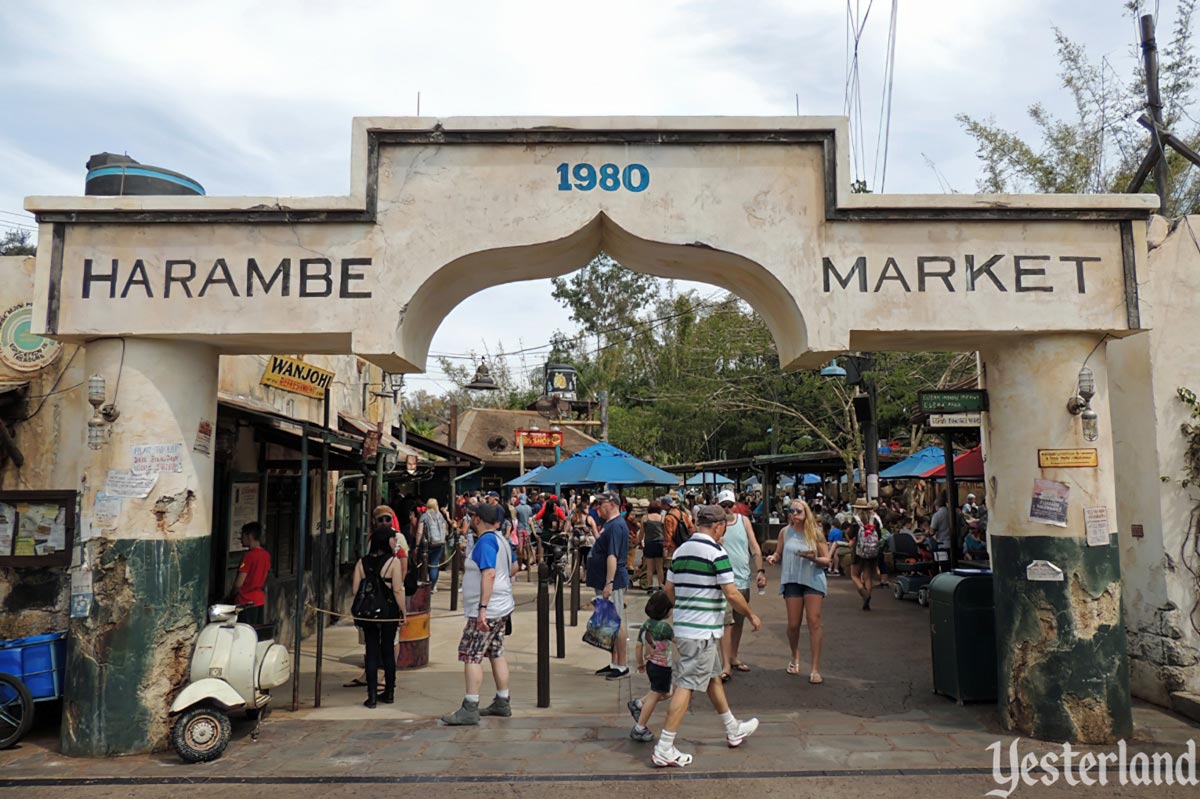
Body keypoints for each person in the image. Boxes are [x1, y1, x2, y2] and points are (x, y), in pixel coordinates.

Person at [652, 505, 761, 768]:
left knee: (713, 678)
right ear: (718, 526)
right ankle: (665, 746)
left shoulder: (681, 551)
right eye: (724, 525)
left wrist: (686, 607)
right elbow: (732, 593)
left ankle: (732, 728)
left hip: (688, 627)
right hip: (702, 631)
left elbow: (669, 590)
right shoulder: (716, 552)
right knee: (686, 685)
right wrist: (751, 615)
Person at [441, 502, 518, 725]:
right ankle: (502, 700)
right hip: (502, 605)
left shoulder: (485, 542)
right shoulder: (502, 540)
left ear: (477, 520)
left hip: (487, 609)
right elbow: (514, 568)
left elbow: (489, 574)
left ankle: (470, 705)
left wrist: (482, 608)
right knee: (496, 652)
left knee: (471, 653)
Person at [766, 499, 830, 683]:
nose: (794, 514)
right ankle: (795, 655)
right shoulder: (785, 532)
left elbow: (827, 560)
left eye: (798, 511)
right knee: (793, 625)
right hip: (792, 579)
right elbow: (779, 553)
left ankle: (815, 668)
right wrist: (773, 557)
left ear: (806, 513)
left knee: (814, 621)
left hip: (813, 579)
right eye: (791, 511)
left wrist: (814, 558)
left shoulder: (815, 533)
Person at [352, 525, 406, 708]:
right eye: (393, 539)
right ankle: (389, 692)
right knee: (388, 652)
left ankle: (372, 696)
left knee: (371, 651)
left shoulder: (362, 563)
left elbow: (355, 590)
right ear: (385, 541)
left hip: (368, 614)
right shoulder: (393, 562)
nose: (395, 542)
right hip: (388, 613)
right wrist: (403, 612)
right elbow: (398, 590)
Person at [715, 490, 766, 680]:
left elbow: (754, 547)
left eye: (730, 505)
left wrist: (760, 570)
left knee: (738, 622)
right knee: (727, 623)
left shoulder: (744, 521)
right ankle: (725, 664)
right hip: (724, 581)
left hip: (743, 578)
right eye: (724, 506)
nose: (728, 509)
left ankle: (733, 657)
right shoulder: (716, 525)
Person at [587, 490, 632, 680]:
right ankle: (614, 661)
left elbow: (612, 556)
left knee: (617, 621)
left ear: (612, 504)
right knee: (610, 621)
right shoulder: (610, 525)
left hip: (612, 580)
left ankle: (622, 665)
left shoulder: (616, 526)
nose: (598, 508)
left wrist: (609, 582)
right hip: (603, 578)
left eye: (601, 504)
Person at [627, 590, 675, 742]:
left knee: (667, 692)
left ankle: (639, 703)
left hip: (651, 666)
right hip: (662, 667)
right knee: (656, 694)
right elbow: (677, 641)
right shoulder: (664, 628)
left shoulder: (646, 625)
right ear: (666, 611)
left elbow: (638, 645)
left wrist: (640, 662)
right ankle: (640, 727)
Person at [231, 522, 270, 625]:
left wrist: (232, 594)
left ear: (250, 536)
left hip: (245, 600)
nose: (241, 539)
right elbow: (265, 576)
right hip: (259, 599)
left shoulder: (248, 556)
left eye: (243, 536)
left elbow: (239, 583)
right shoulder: (266, 555)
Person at [850, 499, 882, 611]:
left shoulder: (856, 520)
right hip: (872, 550)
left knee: (854, 575)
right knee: (868, 576)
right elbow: (880, 534)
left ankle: (864, 594)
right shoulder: (874, 519)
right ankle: (867, 599)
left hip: (858, 551)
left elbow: (850, 535)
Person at [417, 498, 452, 593]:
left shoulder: (424, 516)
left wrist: (417, 544)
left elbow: (419, 532)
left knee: (424, 563)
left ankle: (426, 584)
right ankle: (433, 586)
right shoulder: (440, 516)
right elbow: (445, 528)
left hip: (428, 544)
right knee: (434, 564)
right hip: (439, 543)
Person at [639, 501, 667, 591]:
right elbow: (665, 533)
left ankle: (650, 585)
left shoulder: (645, 518)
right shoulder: (662, 518)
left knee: (649, 567)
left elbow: (641, 532)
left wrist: (639, 542)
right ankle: (660, 585)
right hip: (660, 542)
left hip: (649, 543)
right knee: (659, 566)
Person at [514, 493, 535, 570]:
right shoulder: (529, 508)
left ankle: (520, 565)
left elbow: (515, 519)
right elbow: (530, 519)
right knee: (527, 547)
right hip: (527, 529)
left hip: (520, 528)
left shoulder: (517, 508)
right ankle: (528, 564)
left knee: (520, 547)